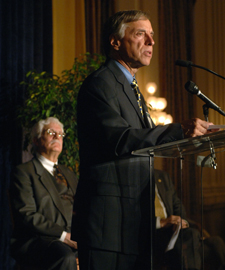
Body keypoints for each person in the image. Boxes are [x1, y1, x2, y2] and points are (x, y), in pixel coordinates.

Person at [72, 10, 218, 270]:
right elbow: (119, 139)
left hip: (135, 224)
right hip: (108, 225)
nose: (151, 42)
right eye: (141, 34)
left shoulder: (132, 89)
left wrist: (197, 138)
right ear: (115, 42)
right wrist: (178, 130)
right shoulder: (100, 84)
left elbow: (147, 143)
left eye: (152, 35)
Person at [10, 117, 78, 270]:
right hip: (37, 240)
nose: (57, 137)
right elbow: (26, 214)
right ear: (36, 140)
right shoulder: (24, 172)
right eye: (51, 132)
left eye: (60, 134)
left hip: (71, 238)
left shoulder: (69, 174)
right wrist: (63, 236)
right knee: (65, 257)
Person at [153, 169, 202, 270]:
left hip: (172, 229)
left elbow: (177, 205)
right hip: (152, 232)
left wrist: (181, 221)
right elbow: (132, 215)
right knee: (191, 239)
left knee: (212, 242)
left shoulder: (163, 176)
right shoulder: (134, 178)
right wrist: (161, 222)